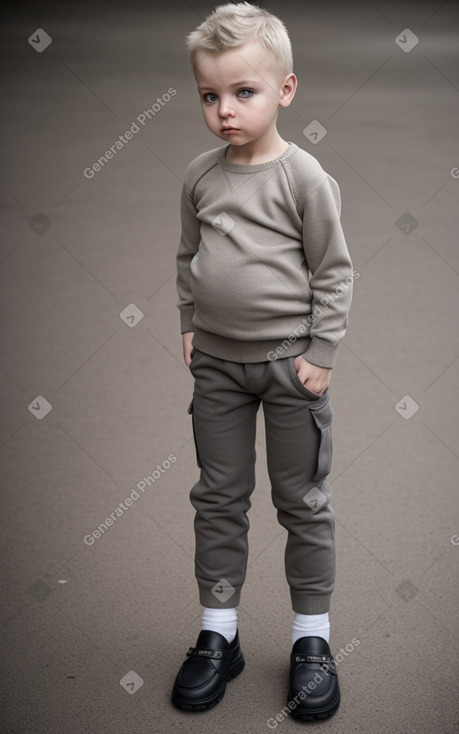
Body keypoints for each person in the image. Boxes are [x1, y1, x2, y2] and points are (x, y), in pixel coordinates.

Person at [172, 1, 354, 721]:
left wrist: (322, 352)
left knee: (302, 501)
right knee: (217, 497)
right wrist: (190, 322)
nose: (224, 111)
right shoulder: (199, 176)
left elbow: (334, 271)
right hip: (215, 366)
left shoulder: (304, 178)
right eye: (209, 95)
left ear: (284, 90)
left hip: (290, 369)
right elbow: (188, 257)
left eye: (242, 92)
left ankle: (312, 640)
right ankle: (219, 634)